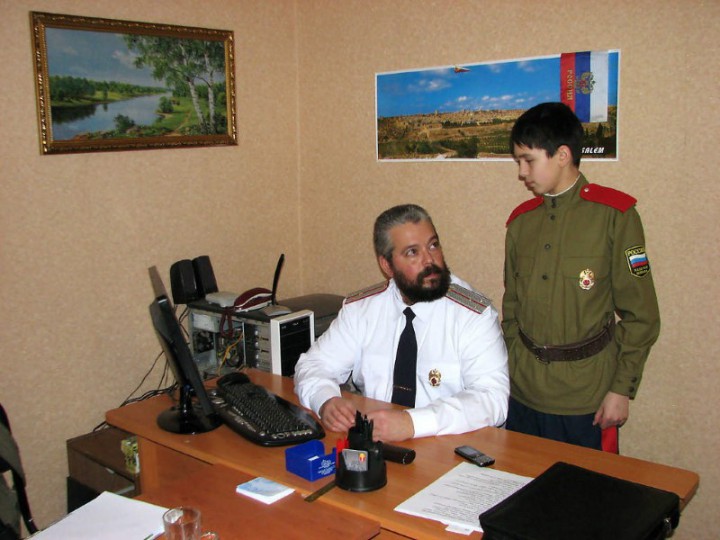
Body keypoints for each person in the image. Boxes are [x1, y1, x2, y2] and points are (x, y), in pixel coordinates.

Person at [502, 102, 660, 451]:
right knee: (521, 483)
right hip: (523, 393)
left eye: (528, 160)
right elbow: (512, 306)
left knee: (583, 486)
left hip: (586, 398)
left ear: (562, 155)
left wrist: (621, 388)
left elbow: (642, 315)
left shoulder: (615, 217)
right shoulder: (521, 223)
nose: (521, 172)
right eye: (518, 161)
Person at [294, 204, 509, 442]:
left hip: (447, 446)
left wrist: (413, 423)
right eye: (412, 252)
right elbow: (314, 365)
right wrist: (326, 400)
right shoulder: (361, 310)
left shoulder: (473, 315)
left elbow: (492, 399)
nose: (430, 260)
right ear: (387, 266)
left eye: (433, 245)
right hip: (377, 444)